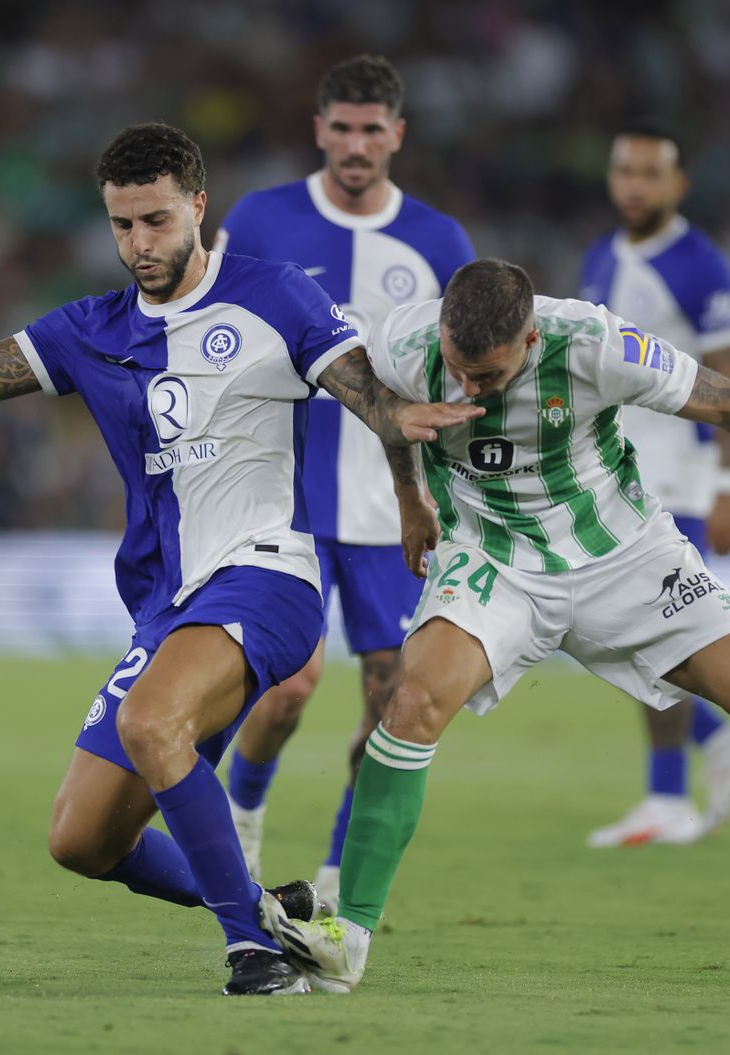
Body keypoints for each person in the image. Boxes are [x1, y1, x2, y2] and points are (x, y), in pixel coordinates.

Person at [0, 123, 479, 995]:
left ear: (197, 205)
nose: (139, 244)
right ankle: (270, 909)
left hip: (269, 574)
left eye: (154, 220)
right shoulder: (90, 328)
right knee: (81, 839)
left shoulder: (276, 295)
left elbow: (362, 388)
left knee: (153, 724)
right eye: (121, 225)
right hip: (168, 605)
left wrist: (408, 474)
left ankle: (251, 953)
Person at [263, 259, 730, 993]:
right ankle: (348, 936)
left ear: (532, 338)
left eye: (491, 375)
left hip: (624, 554)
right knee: (410, 704)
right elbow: (385, 408)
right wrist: (411, 498)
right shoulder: (408, 342)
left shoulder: (594, 343)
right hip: (494, 558)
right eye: (461, 370)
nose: (471, 388)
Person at [213, 54, 475, 908]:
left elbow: (465, 374)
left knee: (388, 696)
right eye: (342, 127)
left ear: (397, 134)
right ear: (318, 129)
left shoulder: (441, 244)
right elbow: (212, 332)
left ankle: (333, 872)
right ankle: (243, 811)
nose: (356, 143)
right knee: (288, 684)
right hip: (285, 493)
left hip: (396, 507)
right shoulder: (259, 219)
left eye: (373, 129)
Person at [578, 122, 730, 846]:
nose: (634, 185)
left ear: (677, 184)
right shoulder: (602, 256)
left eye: (649, 173)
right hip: (618, 477)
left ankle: (685, 775)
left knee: (658, 628)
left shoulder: (700, 265)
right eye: (624, 171)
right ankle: (711, 747)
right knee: (614, 627)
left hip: (682, 483)